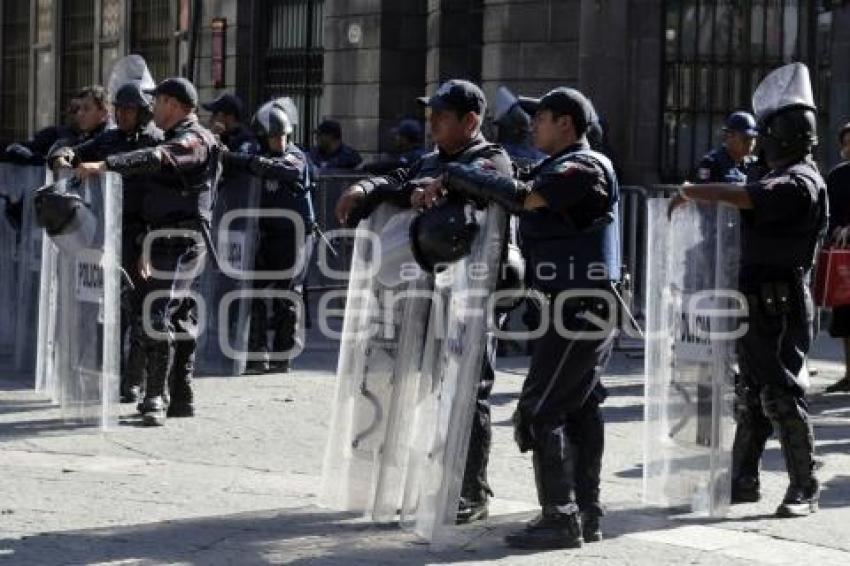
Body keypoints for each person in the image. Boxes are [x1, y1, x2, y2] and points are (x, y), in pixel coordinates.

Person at [421, 87, 620, 548]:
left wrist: (455, 173)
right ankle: (584, 512)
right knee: (579, 407)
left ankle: (560, 517)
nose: (535, 126)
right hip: (568, 303)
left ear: (566, 124)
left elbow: (526, 198)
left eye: (543, 118)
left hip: (581, 304)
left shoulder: (583, 167)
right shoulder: (558, 167)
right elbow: (515, 183)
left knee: (539, 410)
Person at [335, 79, 513, 524]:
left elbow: (491, 189)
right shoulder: (433, 157)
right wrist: (365, 189)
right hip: (428, 292)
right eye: (430, 113)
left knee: (468, 389)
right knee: (421, 386)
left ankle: (471, 490)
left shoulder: (490, 158)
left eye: (442, 115)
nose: (432, 121)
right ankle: (419, 480)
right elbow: (399, 179)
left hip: (472, 293)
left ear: (470, 121)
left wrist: (442, 184)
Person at [668, 63, 826, 517]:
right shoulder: (779, 173)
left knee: (780, 393)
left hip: (781, 303)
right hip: (757, 301)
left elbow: (752, 196)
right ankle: (743, 480)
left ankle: (805, 486)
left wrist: (693, 191)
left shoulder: (800, 181)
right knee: (751, 394)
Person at [75, 77, 221, 426]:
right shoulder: (176, 135)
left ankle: (155, 396)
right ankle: (181, 396)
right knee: (180, 317)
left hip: (183, 240)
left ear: (172, 104)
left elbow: (159, 158)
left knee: (156, 314)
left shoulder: (193, 138)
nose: (151, 108)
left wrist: (107, 166)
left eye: (157, 101)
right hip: (161, 239)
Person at [48, 82, 163, 403]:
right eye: (119, 108)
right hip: (105, 234)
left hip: (139, 234)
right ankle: (102, 375)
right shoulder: (109, 139)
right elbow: (74, 150)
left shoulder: (155, 142)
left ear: (141, 112)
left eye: (129, 109)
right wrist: (62, 156)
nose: (123, 114)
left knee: (140, 312)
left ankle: (134, 380)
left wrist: (148, 243)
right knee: (104, 310)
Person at [222, 99, 316, 374]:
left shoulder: (296, 156)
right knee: (257, 293)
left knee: (286, 295)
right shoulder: (253, 151)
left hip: (294, 235)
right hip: (264, 233)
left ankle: (282, 357)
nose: (280, 141)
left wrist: (244, 160)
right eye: (274, 136)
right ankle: (256, 354)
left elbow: (286, 170)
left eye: (283, 136)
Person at [824, 122, 850, 393]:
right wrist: (836, 231)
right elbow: (827, 212)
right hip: (843, 257)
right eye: (848, 142)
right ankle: (848, 373)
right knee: (844, 316)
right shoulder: (837, 176)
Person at [1, 97, 82, 165]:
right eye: (73, 111)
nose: (80, 114)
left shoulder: (92, 139)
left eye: (86, 109)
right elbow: (29, 149)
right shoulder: (54, 132)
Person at [694, 111, 758, 184]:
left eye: (753, 138)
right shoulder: (710, 163)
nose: (750, 143)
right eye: (746, 138)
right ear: (729, 136)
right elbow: (703, 191)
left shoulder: (754, 164)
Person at [361, 119, 426, 174]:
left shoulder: (413, 156)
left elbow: (394, 166)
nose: (396, 138)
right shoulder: (420, 152)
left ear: (405, 138)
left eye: (398, 135)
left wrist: (367, 167)